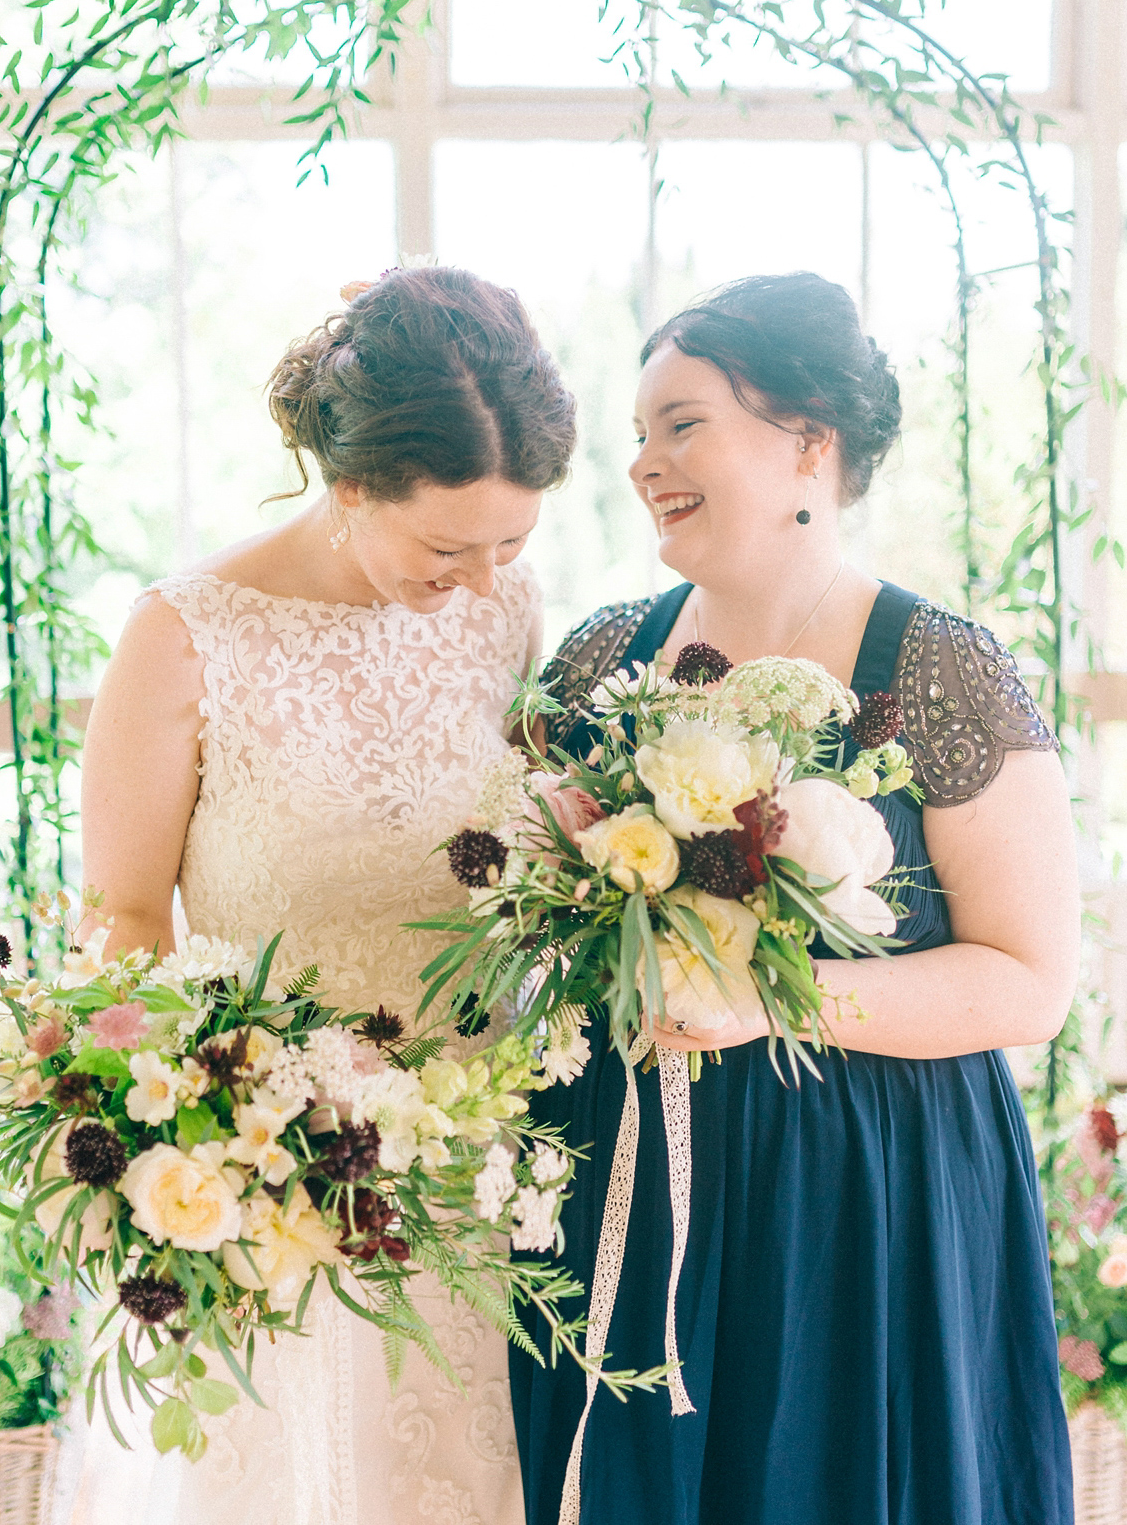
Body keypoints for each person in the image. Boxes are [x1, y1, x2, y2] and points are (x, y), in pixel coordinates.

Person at [510, 271, 1079, 1525]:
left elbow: (1032, 980)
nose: (643, 463)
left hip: (864, 1196)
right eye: (640, 434)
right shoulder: (603, 659)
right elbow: (521, 891)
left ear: (809, 438)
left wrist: (770, 1001)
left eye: (683, 423)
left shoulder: (938, 670)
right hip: (627, 1163)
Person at [60, 266, 576, 1525]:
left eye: (512, 541)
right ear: (351, 486)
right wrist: (189, 1150)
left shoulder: (503, 610)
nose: (480, 575)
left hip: (478, 1187)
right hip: (271, 1194)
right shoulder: (183, 635)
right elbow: (124, 925)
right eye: (447, 544)